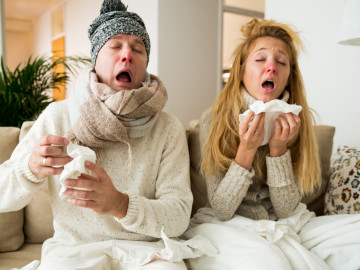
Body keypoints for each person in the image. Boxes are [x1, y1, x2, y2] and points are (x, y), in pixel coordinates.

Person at [0, 0, 194, 269]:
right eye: (115, 46)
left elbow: (179, 215)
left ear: (146, 63)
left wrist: (121, 205)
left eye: (138, 49)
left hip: (148, 252)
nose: (127, 55)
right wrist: (29, 169)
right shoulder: (59, 116)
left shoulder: (167, 127)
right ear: (95, 58)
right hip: (74, 251)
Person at [183, 18, 360, 270]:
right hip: (229, 224)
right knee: (268, 262)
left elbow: (287, 208)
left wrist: (278, 151)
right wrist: (246, 150)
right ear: (241, 70)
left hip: (286, 221)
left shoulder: (297, 121)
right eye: (260, 59)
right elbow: (222, 208)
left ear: (289, 76)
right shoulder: (215, 118)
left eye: (281, 62)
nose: (271, 67)